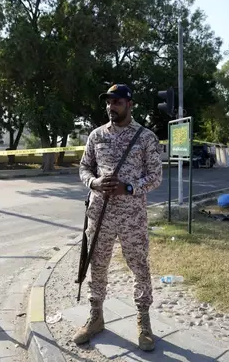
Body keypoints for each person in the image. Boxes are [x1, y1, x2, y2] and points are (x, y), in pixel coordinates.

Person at [74, 83, 163, 351]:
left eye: (117, 102)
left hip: (131, 216)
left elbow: (156, 176)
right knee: (97, 265)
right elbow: (84, 167)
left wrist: (130, 187)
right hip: (99, 213)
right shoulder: (96, 135)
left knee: (139, 267)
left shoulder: (145, 137)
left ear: (129, 104)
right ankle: (96, 317)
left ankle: (144, 322)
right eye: (109, 102)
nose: (111, 107)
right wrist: (94, 182)